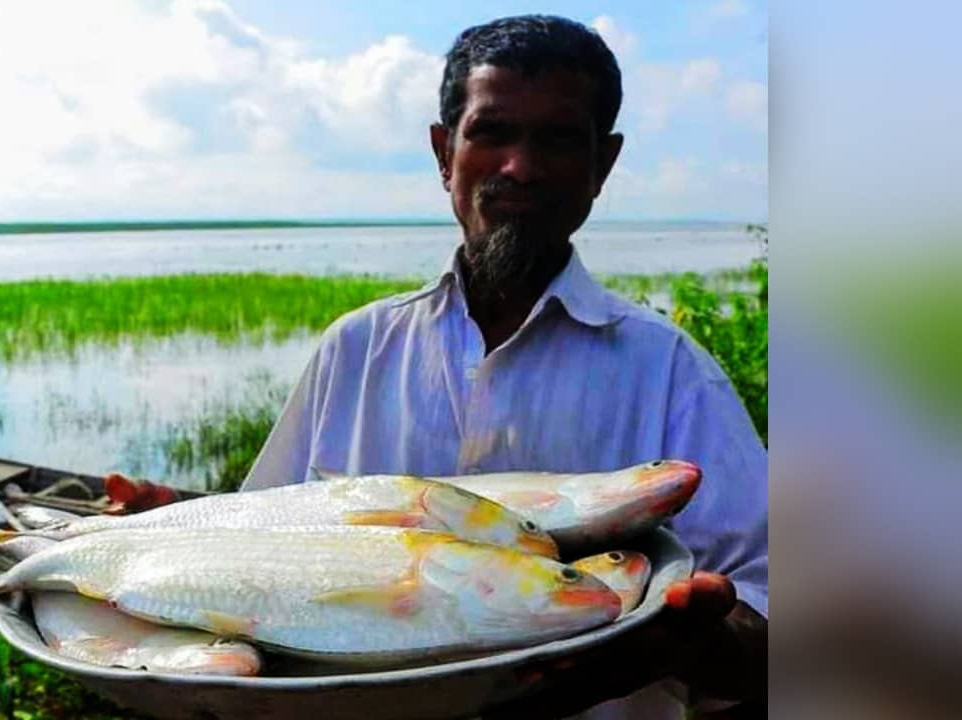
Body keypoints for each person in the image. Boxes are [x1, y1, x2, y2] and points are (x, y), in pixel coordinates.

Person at [240, 14, 767, 719]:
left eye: (557, 139)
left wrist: (686, 639)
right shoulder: (356, 350)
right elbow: (252, 548)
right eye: (491, 133)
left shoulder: (670, 372)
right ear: (443, 151)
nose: (520, 167)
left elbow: (768, 607)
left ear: (602, 165)